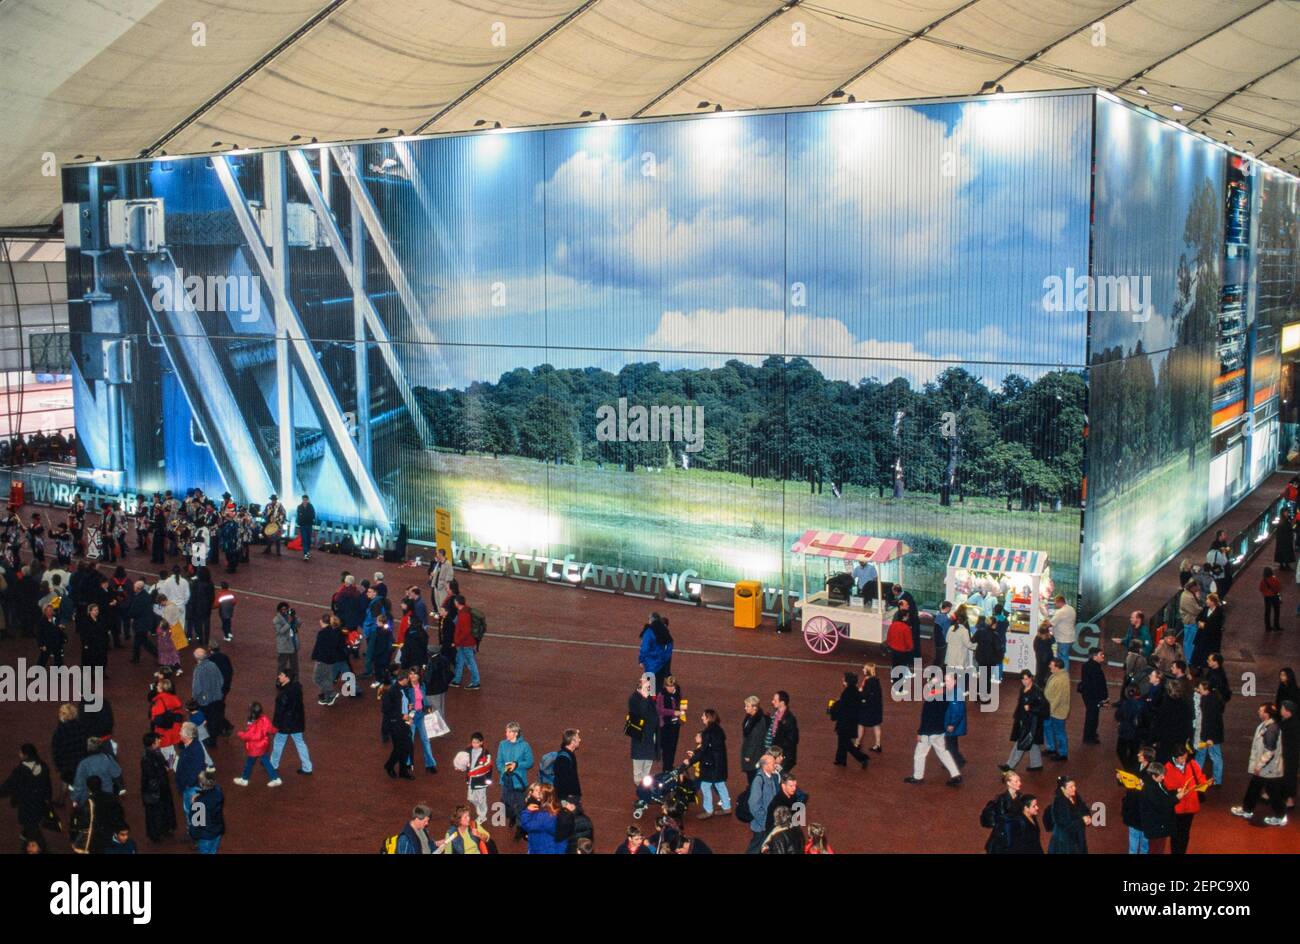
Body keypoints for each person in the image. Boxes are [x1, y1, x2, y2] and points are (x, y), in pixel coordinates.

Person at [1231, 703, 1288, 826]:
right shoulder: (1266, 726)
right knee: (1254, 788)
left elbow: (1270, 751)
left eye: (1261, 710)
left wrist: (1259, 765)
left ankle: (1281, 816)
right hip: (1266, 768)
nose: (1259, 712)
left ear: (1266, 714)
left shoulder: (1271, 729)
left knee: (1272, 793)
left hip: (1268, 769)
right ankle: (1247, 810)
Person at [905, 677, 962, 785]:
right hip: (940, 730)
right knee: (943, 752)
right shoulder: (945, 697)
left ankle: (918, 777)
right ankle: (955, 775)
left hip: (928, 731)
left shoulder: (930, 699)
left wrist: (920, 732)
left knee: (920, 754)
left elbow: (925, 717)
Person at [1164, 743, 1209, 854]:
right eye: (1181, 758)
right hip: (1177, 807)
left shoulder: (1192, 764)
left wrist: (1205, 783)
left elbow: (1200, 777)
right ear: (1175, 757)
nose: (1184, 760)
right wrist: (1177, 791)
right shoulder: (1167, 768)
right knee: (1175, 834)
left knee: (1185, 834)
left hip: (1190, 806)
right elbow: (1166, 787)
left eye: (1185, 757)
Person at [0, 744, 53, 838]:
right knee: (34, 821)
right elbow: (48, 785)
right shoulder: (43, 766)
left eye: (21, 752)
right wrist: (48, 798)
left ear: (26, 755)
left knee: (29, 824)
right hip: (39, 801)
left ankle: (32, 840)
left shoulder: (21, 770)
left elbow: (9, 785)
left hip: (26, 802)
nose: (19, 754)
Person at [685, 708, 730, 818]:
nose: (702, 717)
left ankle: (708, 810)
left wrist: (691, 760)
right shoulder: (719, 730)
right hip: (720, 763)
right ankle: (727, 807)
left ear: (708, 718)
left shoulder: (707, 732)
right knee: (720, 784)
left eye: (703, 716)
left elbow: (704, 751)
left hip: (710, 765)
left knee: (705, 785)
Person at [1003, 670, 1048, 772]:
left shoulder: (1036, 692)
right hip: (1028, 721)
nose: (1024, 681)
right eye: (1023, 679)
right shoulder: (1025, 689)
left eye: (1026, 679)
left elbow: (1043, 707)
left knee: (1021, 742)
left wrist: (1031, 708)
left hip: (1031, 722)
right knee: (1032, 742)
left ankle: (1010, 765)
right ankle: (1036, 764)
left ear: (1031, 678)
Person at [270, 670, 313, 776]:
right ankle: (307, 767)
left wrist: (275, 724)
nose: (279, 676)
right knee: (300, 743)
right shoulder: (296, 689)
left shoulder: (284, 693)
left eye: (281, 675)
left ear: (287, 678)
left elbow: (280, 711)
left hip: (285, 724)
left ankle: (273, 764)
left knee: (278, 743)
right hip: (297, 722)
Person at [628, 674, 659, 814]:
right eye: (647, 686)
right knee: (638, 776)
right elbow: (640, 712)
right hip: (640, 742)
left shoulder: (648, 698)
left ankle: (644, 797)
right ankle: (645, 795)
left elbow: (654, 714)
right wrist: (645, 698)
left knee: (646, 772)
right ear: (639, 687)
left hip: (649, 741)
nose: (649, 688)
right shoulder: (634, 699)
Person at [233, 702, 281, 787]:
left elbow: (249, 736)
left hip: (254, 748)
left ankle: (244, 779)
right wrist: (276, 730)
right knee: (266, 762)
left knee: (249, 763)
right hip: (263, 745)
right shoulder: (264, 718)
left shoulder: (252, 723)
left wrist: (240, 734)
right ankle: (275, 778)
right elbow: (271, 729)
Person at [496, 722, 533, 832]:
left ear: (515, 733)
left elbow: (530, 762)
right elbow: (499, 761)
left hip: (519, 781)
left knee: (521, 805)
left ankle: (520, 826)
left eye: (508, 732)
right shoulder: (502, 744)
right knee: (507, 803)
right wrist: (504, 770)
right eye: (506, 731)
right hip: (506, 781)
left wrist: (517, 765)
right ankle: (512, 816)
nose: (506, 733)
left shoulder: (525, 746)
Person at [1140, 762, 1183, 854]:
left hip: (1157, 826)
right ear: (1153, 776)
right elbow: (1161, 805)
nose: (1163, 777)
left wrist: (1175, 791)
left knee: (1157, 849)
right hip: (1156, 826)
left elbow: (1163, 795)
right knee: (1156, 850)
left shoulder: (1154, 784)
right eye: (1161, 776)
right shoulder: (1150, 789)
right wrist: (1176, 798)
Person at [830, 672, 869, 768]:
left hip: (845, 722)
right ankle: (840, 759)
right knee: (842, 741)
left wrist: (833, 709)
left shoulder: (847, 692)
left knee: (846, 743)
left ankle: (862, 758)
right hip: (851, 721)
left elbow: (842, 706)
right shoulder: (854, 691)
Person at [50, 703, 88, 803]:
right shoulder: (81, 726)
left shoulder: (60, 730)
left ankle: (65, 799)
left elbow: (57, 748)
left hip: (67, 760)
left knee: (67, 778)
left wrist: (58, 764)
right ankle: (69, 799)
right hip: (80, 757)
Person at [402, 668, 437, 774]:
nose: (412, 676)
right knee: (409, 740)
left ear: (419, 676)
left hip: (421, 715)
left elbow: (424, 699)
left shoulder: (422, 685)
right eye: (410, 674)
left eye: (415, 674)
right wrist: (407, 707)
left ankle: (430, 764)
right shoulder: (405, 688)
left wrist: (428, 707)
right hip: (410, 717)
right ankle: (407, 762)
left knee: (426, 740)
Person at [1191, 678, 1225, 786]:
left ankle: (1195, 777)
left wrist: (1206, 737)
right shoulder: (1216, 699)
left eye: (1200, 689)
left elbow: (1207, 721)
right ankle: (1217, 780)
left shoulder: (1206, 701)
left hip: (1208, 735)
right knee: (1215, 757)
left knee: (1202, 756)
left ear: (1206, 690)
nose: (1199, 690)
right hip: (1214, 734)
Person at [381, 672, 415, 779]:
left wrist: (408, 706)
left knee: (406, 746)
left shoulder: (402, 689)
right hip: (395, 723)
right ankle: (390, 766)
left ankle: (402, 770)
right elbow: (385, 710)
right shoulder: (391, 691)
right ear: (404, 679)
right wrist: (401, 715)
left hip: (403, 722)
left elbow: (402, 703)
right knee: (400, 747)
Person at [746, 752, 781, 853]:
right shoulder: (759, 780)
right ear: (765, 765)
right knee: (755, 848)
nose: (775, 765)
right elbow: (754, 805)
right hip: (762, 825)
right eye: (773, 764)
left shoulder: (772, 777)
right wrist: (764, 821)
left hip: (769, 823)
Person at [1045, 777, 1090, 854]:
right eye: (1071, 787)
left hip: (1077, 835)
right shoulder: (1059, 803)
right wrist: (1082, 821)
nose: (1074, 788)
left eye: (1074, 786)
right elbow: (1064, 824)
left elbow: (1083, 806)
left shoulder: (1074, 795)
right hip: (1066, 840)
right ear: (1063, 789)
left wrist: (1087, 815)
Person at [981, 771, 1021, 854]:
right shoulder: (1002, 799)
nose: (1019, 783)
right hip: (1005, 832)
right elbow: (1001, 817)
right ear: (1009, 783)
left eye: (1019, 780)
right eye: (1016, 781)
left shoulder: (1020, 796)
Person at [518, 784, 565, 854]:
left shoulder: (544, 815)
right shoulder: (554, 810)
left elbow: (527, 825)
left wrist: (527, 811)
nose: (538, 795)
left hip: (543, 848)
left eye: (540, 793)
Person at [447, 595, 480, 690]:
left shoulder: (463, 614)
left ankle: (476, 682)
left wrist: (456, 641)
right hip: (465, 643)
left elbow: (465, 631)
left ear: (457, 603)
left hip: (465, 643)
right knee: (460, 660)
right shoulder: (465, 611)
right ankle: (457, 680)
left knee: (470, 662)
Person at [1077, 647, 1108, 745]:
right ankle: (1089, 737)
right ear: (1095, 656)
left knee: (1092, 715)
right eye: (1101, 654)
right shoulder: (1095, 668)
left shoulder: (1087, 666)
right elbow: (1097, 684)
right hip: (1093, 697)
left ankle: (1091, 734)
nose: (1103, 656)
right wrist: (1103, 697)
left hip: (1089, 696)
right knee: (1092, 716)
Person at [190, 770, 225, 854]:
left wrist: (193, 803)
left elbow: (196, 822)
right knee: (213, 851)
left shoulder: (199, 803)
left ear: (201, 784)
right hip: (217, 831)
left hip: (206, 835)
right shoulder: (219, 792)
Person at [655, 676, 686, 770]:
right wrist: (673, 712)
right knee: (666, 749)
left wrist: (682, 711)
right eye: (668, 686)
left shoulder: (678, 693)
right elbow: (659, 710)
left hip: (675, 725)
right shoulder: (661, 695)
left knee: (673, 748)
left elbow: (682, 703)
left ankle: (670, 766)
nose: (670, 688)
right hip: (665, 726)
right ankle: (666, 768)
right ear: (665, 685)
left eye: (672, 686)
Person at [1043, 658, 1070, 761]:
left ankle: (1062, 753)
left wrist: (1048, 711)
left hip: (1056, 711)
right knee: (1048, 728)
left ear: (1057, 667)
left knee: (1059, 732)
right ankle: (1051, 748)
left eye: (1052, 665)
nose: (1050, 666)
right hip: (1052, 709)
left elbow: (1057, 698)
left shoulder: (1060, 679)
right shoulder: (1059, 675)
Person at [638, 612, 674, 692]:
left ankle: (650, 700)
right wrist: (665, 658)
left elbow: (644, 647)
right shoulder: (665, 631)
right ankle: (661, 697)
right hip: (662, 663)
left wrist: (641, 660)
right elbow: (670, 645)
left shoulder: (649, 631)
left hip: (651, 663)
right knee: (659, 685)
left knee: (649, 688)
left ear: (651, 620)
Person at [1114, 686, 1146, 773]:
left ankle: (1128, 767)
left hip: (1126, 731)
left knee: (1121, 750)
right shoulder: (1144, 703)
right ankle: (1132, 767)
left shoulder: (1127, 704)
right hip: (1138, 732)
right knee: (1134, 751)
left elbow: (1118, 715)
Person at [463, 732, 492, 824]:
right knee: (471, 798)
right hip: (471, 780)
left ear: (481, 742)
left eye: (476, 742)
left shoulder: (485, 753)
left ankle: (482, 816)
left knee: (481, 799)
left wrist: (488, 780)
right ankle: (479, 810)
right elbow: (463, 760)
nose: (474, 744)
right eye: (473, 742)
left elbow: (488, 767)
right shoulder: (467, 750)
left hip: (481, 782)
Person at [740, 695, 768, 784]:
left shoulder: (758, 721)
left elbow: (754, 740)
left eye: (747, 706)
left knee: (753, 777)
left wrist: (748, 754)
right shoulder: (750, 718)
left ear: (754, 707)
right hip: (753, 753)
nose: (745, 708)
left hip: (754, 755)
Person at [769, 690, 799, 771]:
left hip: (784, 757)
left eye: (775, 700)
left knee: (779, 777)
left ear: (782, 703)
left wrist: (777, 747)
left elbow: (793, 740)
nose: (772, 702)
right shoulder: (776, 714)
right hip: (776, 754)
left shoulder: (789, 719)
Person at [1191, 594, 1223, 669]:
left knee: (1208, 655)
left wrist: (1205, 626)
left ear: (1213, 602)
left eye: (1208, 599)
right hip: (1202, 636)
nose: (1206, 601)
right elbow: (1198, 617)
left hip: (1211, 638)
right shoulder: (1205, 609)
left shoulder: (1219, 612)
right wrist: (1199, 622)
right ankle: (1199, 668)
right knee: (1199, 654)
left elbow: (1217, 625)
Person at [943, 672, 968, 768]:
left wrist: (951, 724)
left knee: (950, 744)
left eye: (948, 681)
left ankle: (955, 762)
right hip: (955, 724)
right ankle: (959, 759)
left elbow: (957, 712)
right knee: (952, 743)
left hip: (952, 724)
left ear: (954, 681)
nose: (946, 683)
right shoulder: (954, 691)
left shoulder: (955, 694)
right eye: (945, 681)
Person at [1046, 595, 1076, 664]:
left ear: (1060, 602)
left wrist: (1044, 625)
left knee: (1062, 659)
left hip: (1063, 639)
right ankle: (1062, 673)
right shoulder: (1071, 609)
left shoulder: (1061, 612)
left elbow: (1050, 623)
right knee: (1064, 657)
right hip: (1070, 637)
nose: (1055, 605)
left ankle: (1064, 674)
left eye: (1055, 603)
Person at [273, 603, 300, 680]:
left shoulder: (290, 616)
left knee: (295, 665)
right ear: (279, 610)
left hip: (293, 644)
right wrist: (289, 623)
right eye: (283, 609)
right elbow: (280, 632)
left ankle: (295, 681)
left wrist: (294, 617)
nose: (285, 611)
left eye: (286, 609)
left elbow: (299, 624)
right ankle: (280, 681)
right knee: (282, 665)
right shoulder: (276, 620)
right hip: (284, 647)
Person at [553, 729, 582, 800]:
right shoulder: (563, 759)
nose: (580, 740)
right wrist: (565, 801)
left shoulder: (568, 753)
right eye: (578, 738)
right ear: (572, 741)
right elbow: (562, 781)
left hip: (571, 796)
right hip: (568, 798)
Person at [885, 610, 914, 677]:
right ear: (904, 617)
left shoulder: (893, 625)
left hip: (893, 648)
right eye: (907, 616)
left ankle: (894, 675)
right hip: (902, 650)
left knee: (894, 663)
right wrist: (910, 648)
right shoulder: (906, 628)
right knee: (902, 664)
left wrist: (890, 644)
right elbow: (909, 641)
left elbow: (889, 636)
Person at [1261, 567, 1284, 632]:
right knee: (1276, 611)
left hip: (1267, 598)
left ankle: (1267, 627)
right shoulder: (1275, 579)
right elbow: (1279, 588)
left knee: (1267, 612)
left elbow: (1261, 589)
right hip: (1275, 597)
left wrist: (1265, 592)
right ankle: (1276, 626)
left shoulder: (1263, 581)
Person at [931, 600, 953, 668]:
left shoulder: (936, 616)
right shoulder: (946, 619)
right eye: (950, 608)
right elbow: (947, 632)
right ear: (947, 608)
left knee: (935, 658)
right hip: (942, 643)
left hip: (934, 641)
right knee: (940, 660)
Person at [296, 494, 315, 561]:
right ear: (302, 500)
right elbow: (298, 516)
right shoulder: (299, 507)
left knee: (308, 539)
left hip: (309, 525)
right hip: (302, 525)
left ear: (308, 500)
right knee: (304, 539)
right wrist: (299, 523)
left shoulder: (311, 506)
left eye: (306, 500)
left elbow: (313, 514)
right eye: (304, 500)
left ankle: (307, 551)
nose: (305, 501)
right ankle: (305, 554)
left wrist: (312, 520)